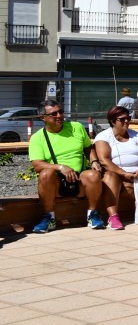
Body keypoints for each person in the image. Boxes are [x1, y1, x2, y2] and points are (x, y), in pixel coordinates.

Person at [29, 100, 104, 233]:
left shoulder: (77, 127)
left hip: (79, 180)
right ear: (42, 117)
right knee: (45, 174)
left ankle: (92, 214)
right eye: (54, 114)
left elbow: (88, 147)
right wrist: (60, 167)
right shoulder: (37, 138)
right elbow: (37, 164)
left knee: (93, 175)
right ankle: (49, 217)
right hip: (57, 183)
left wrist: (94, 161)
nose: (59, 115)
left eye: (61, 112)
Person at [94, 105, 138, 229]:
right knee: (109, 177)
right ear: (112, 121)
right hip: (116, 174)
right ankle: (113, 216)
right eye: (122, 119)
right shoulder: (103, 136)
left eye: (128, 118)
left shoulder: (136, 135)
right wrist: (123, 173)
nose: (127, 121)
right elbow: (104, 160)